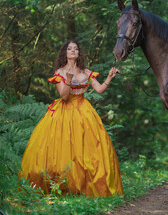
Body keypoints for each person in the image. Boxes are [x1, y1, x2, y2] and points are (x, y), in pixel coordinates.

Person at [19, 40, 124, 197]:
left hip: (84, 110)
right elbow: (64, 96)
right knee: (63, 147)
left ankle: (85, 185)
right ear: (65, 53)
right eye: (69, 49)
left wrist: (109, 77)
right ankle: (62, 185)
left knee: (89, 149)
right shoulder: (60, 72)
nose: (73, 51)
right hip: (65, 112)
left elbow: (100, 89)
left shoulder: (86, 71)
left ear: (79, 53)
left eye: (75, 49)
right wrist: (68, 80)